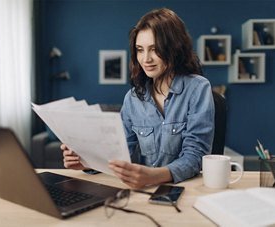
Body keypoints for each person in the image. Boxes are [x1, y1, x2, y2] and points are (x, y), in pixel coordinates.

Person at [62, 8, 214, 189]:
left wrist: (154, 176)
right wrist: (87, 163)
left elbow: (195, 156)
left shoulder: (198, 88)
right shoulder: (133, 98)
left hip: (187, 189)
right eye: (140, 50)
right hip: (146, 189)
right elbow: (119, 152)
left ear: (174, 48)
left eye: (154, 49)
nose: (145, 59)